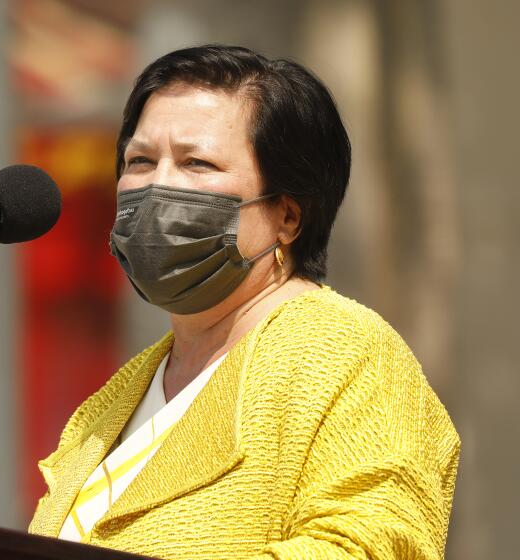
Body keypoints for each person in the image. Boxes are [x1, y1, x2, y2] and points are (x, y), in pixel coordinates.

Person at [28, 45, 459, 560]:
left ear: (288, 216)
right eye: (140, 161)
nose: (158, 186)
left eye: (198, 163)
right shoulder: (113, 400)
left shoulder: (347, 355)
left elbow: (371, 547)